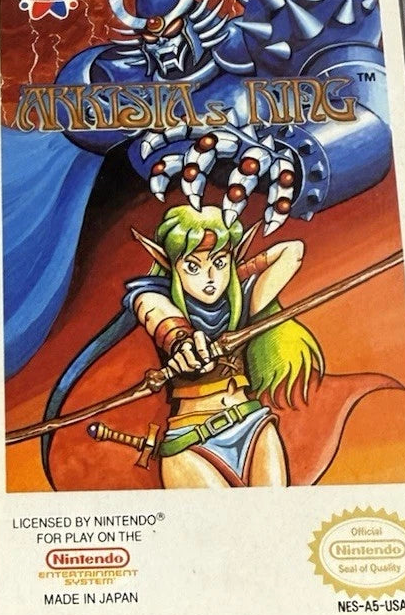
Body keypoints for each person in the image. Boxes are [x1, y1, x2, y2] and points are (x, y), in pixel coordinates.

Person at [125, 203, 323, 489]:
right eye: (193, 267)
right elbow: (156, 314)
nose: (209, 279)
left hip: (252, 423)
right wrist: (182, 342)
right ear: (173, 267)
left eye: (218, 263)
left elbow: (293, 252)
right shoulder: (155, 296)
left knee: (276, 512)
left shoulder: (242, 301)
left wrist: (238, 271)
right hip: (191, 442)